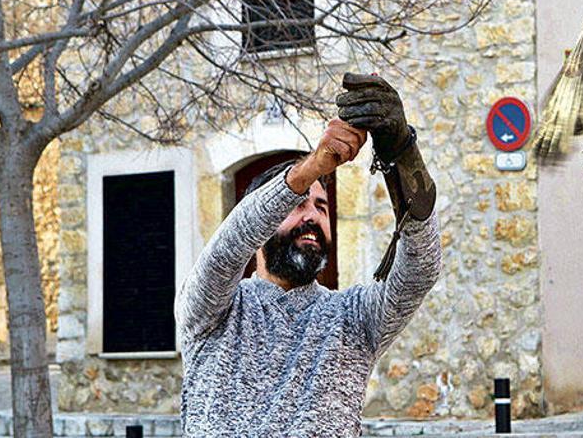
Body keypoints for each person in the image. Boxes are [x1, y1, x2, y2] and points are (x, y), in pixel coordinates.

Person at [174, 73, 442, 437]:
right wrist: (311, 168)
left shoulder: (353, 319)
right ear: (263, 217)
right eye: (297, 204)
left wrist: (403, 155)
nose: (313, 216)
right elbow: (225, 252)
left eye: (321, 206)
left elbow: (420, 273)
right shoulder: (212, 312)